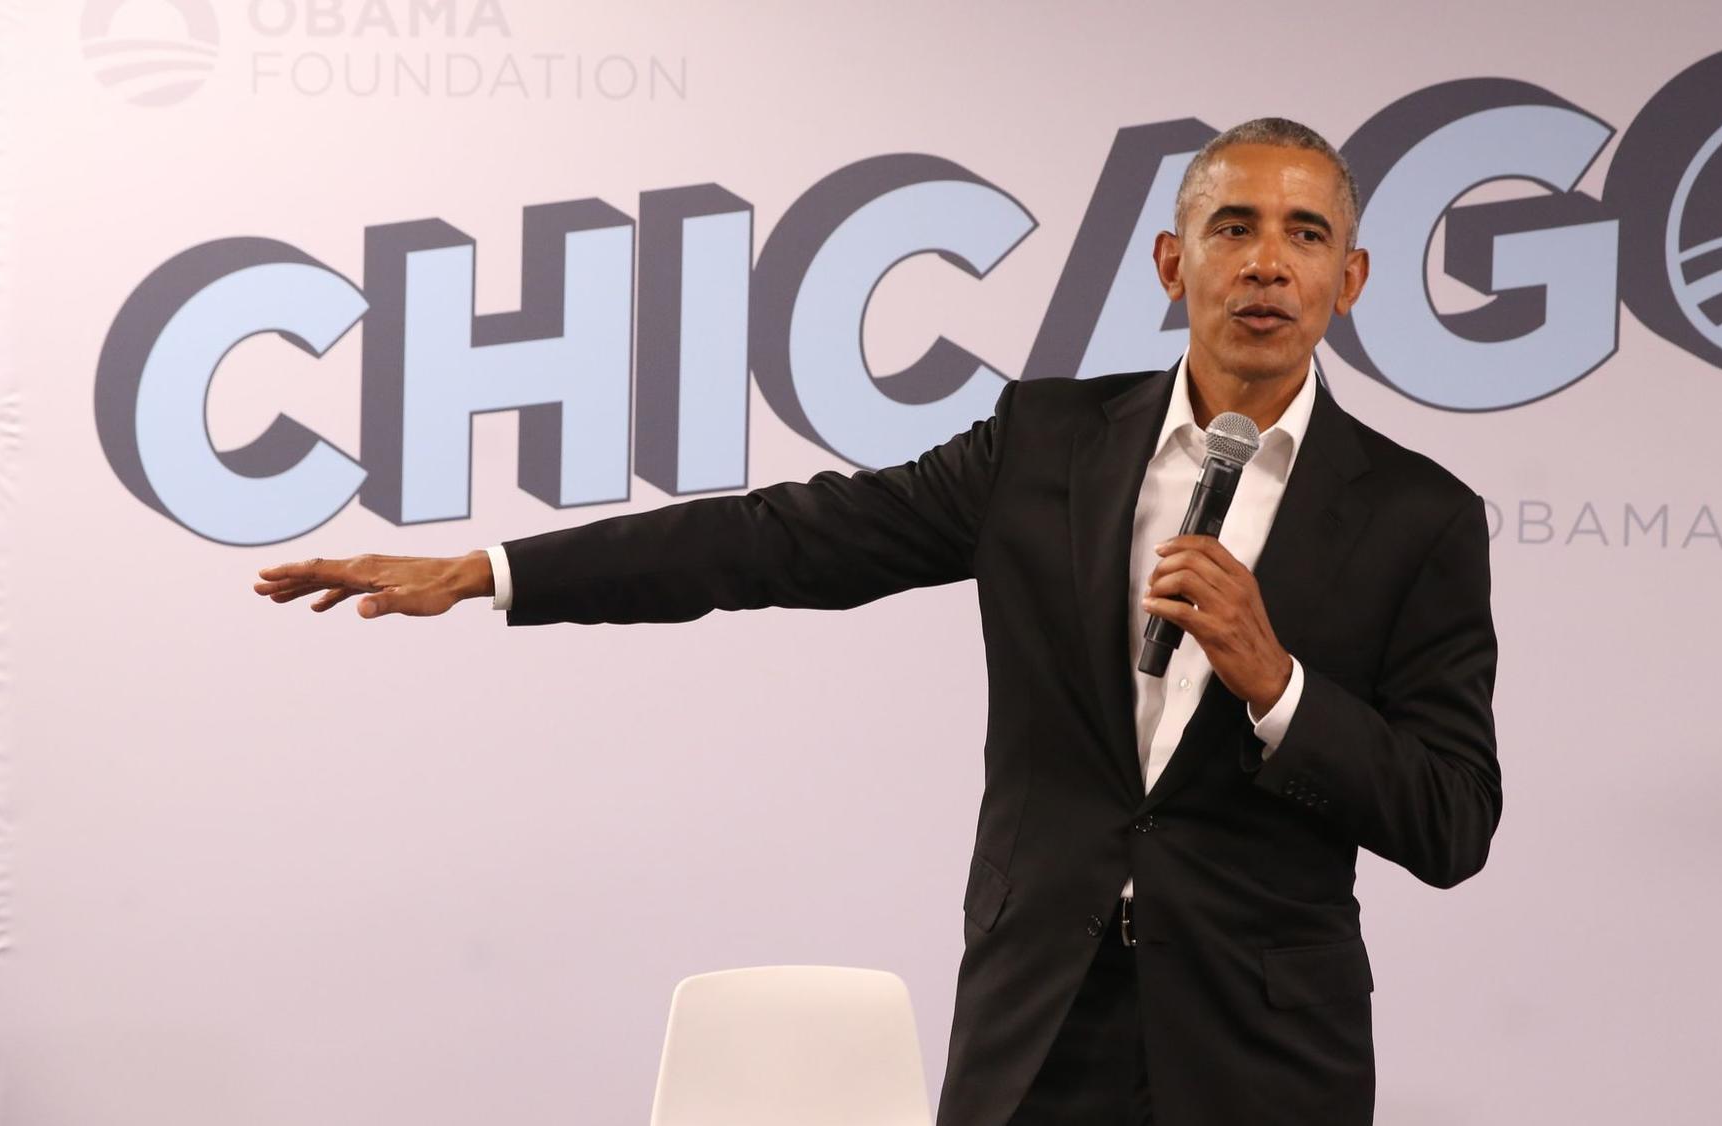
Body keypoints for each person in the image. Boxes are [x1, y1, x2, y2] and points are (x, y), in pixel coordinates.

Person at [256, 118, 1501, 1126]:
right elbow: (783, 538)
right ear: (1172, 264)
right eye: (1233, 227)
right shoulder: (1045, 444)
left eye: (1304, 233)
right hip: (1042, 1021)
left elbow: (1450, 819)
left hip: (1260, 1052)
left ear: (1348, 280)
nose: (1267, 262)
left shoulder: (1417, 517)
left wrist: (1276, 683)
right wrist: (493, 570)